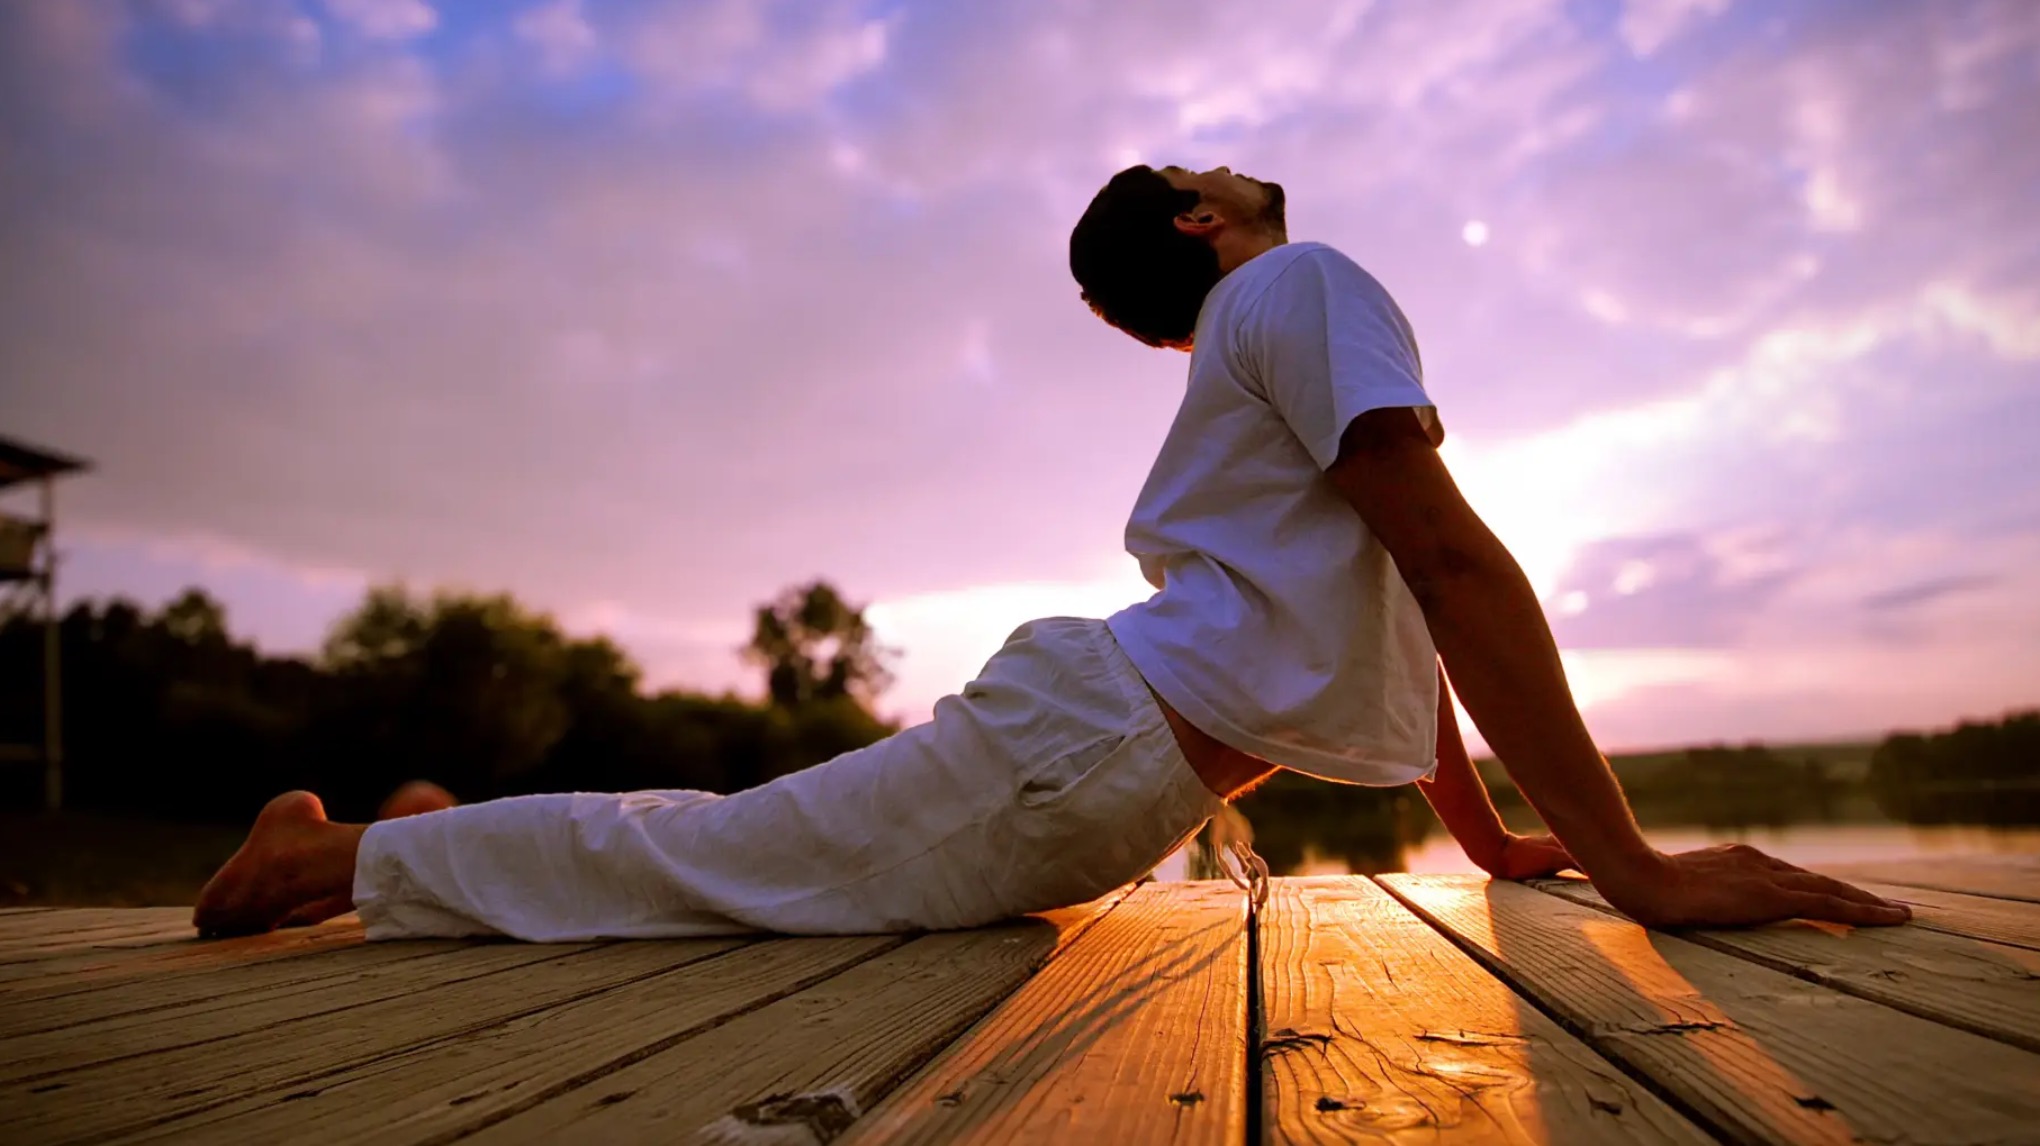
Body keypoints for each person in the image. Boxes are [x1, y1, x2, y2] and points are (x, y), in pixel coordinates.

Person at [193, 165, 1912, 941]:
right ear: (1198, 219)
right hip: (1079, 748)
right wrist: (1643, 868)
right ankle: (324, 862)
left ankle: (406, 847)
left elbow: (1398, 603)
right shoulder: (1300, 288)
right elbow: (1455, 572)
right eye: (1203, 159)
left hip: (1091, 760)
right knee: (716, 865)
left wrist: (1505, 838)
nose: (1237, 159)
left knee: (734, 857)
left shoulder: (1284, 320)